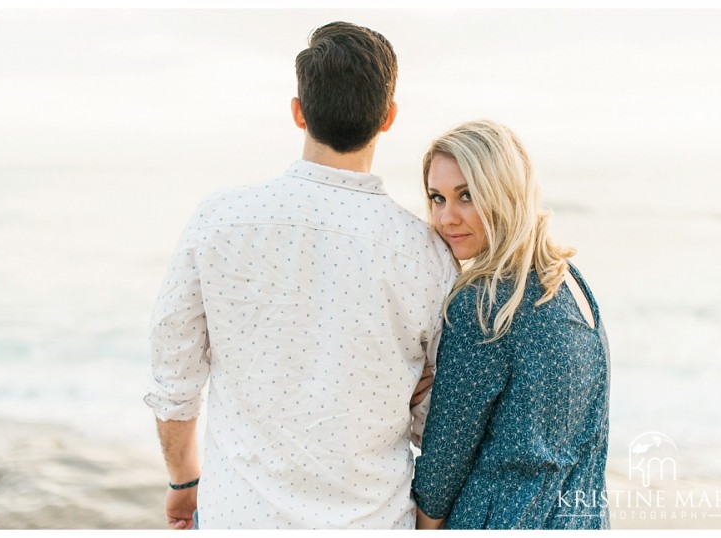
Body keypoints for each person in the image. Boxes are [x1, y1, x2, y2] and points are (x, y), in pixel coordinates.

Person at [144, 21, 456, 530]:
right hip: (371, 522)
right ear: (389, 118)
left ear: (298, 112)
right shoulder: (428, 252)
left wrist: (183, 481)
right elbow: (437, 420)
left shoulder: (219, 219)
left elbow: (173, 374)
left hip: (239, 519)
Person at [411, 120, 610, 529]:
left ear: (503, 191)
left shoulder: (484, 303)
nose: (447, 217)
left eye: (467, 195)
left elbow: (443, 466)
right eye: (437, 198)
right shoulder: (570, 282)